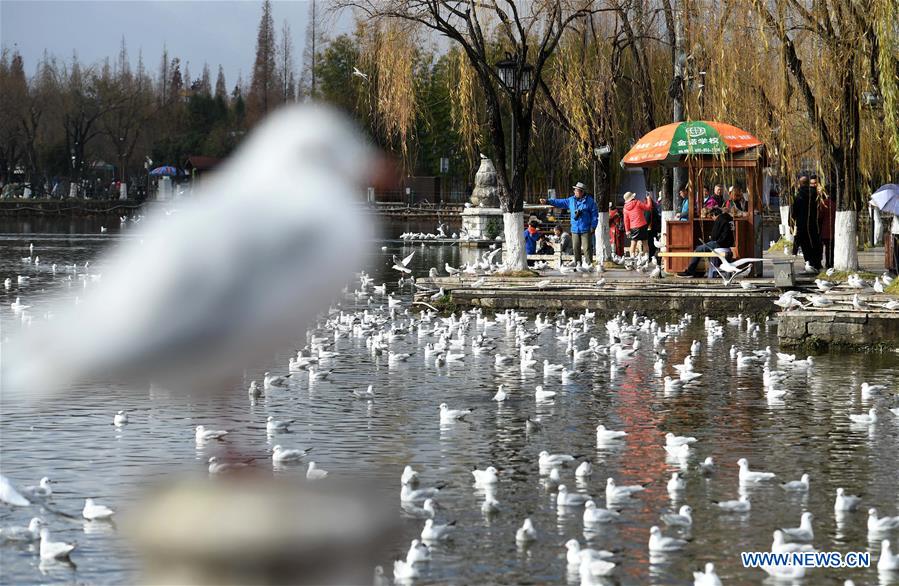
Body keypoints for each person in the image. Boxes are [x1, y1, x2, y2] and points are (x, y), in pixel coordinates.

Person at [540, 181, 598, 265]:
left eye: (576, 190)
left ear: (582, 192)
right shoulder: (571, 200)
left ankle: (589, 265)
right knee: (576, 248)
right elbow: (559, 202)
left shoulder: (590, 201)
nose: (575, 192)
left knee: (587, 248)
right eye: (575, 190)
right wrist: (547, 201)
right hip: (575, 229)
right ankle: (578, 265)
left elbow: (594, 215)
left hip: (586, 229)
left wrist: (593, 226)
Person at [677, 207, 734, 277]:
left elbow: (714, 236)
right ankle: (701, 271)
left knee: (698, 249)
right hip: (727, 244)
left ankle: (690, 271)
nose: (713, 219)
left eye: (712, 217)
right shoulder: (729, 219)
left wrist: (711, 237)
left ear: (714, 215)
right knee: (703, 248)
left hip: (719, 243)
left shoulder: (719, 219)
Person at [791, 174, 822, 273]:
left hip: (802, 224)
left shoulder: (798, 196)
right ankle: (816, 264)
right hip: (814, 224)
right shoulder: (815, 195)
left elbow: (794, 212)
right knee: (815, 243)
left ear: (799, 184)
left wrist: (792, 221)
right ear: (808, 183)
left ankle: (808, 263)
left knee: (805, 245)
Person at [622, 191, 653, 257]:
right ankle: (646, 259)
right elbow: (648, 207)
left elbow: (626, 220)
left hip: (633, 227)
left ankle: (631, 260)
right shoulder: (638, 203)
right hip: (642, 225)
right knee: (645, 243)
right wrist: (649, 198)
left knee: (633, 243)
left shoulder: (625, 208)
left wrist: (627, 231)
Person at [818, 187, 836, 269]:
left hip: (825, 230)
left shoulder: (824, 203)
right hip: (834, 230)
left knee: (826, 248)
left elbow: (820, 217)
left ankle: (827, 263)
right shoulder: (836, 203)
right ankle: (831, 263)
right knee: (831, 249)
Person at [645, 191, 663, 262]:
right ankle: (652, 256)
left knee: (650, 243)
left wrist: (645, 226)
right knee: (652, 242)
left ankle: (650, 256)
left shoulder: (649, 209)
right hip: (655, 228)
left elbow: (647, 218)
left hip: (650, 228)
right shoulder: (654, 208)